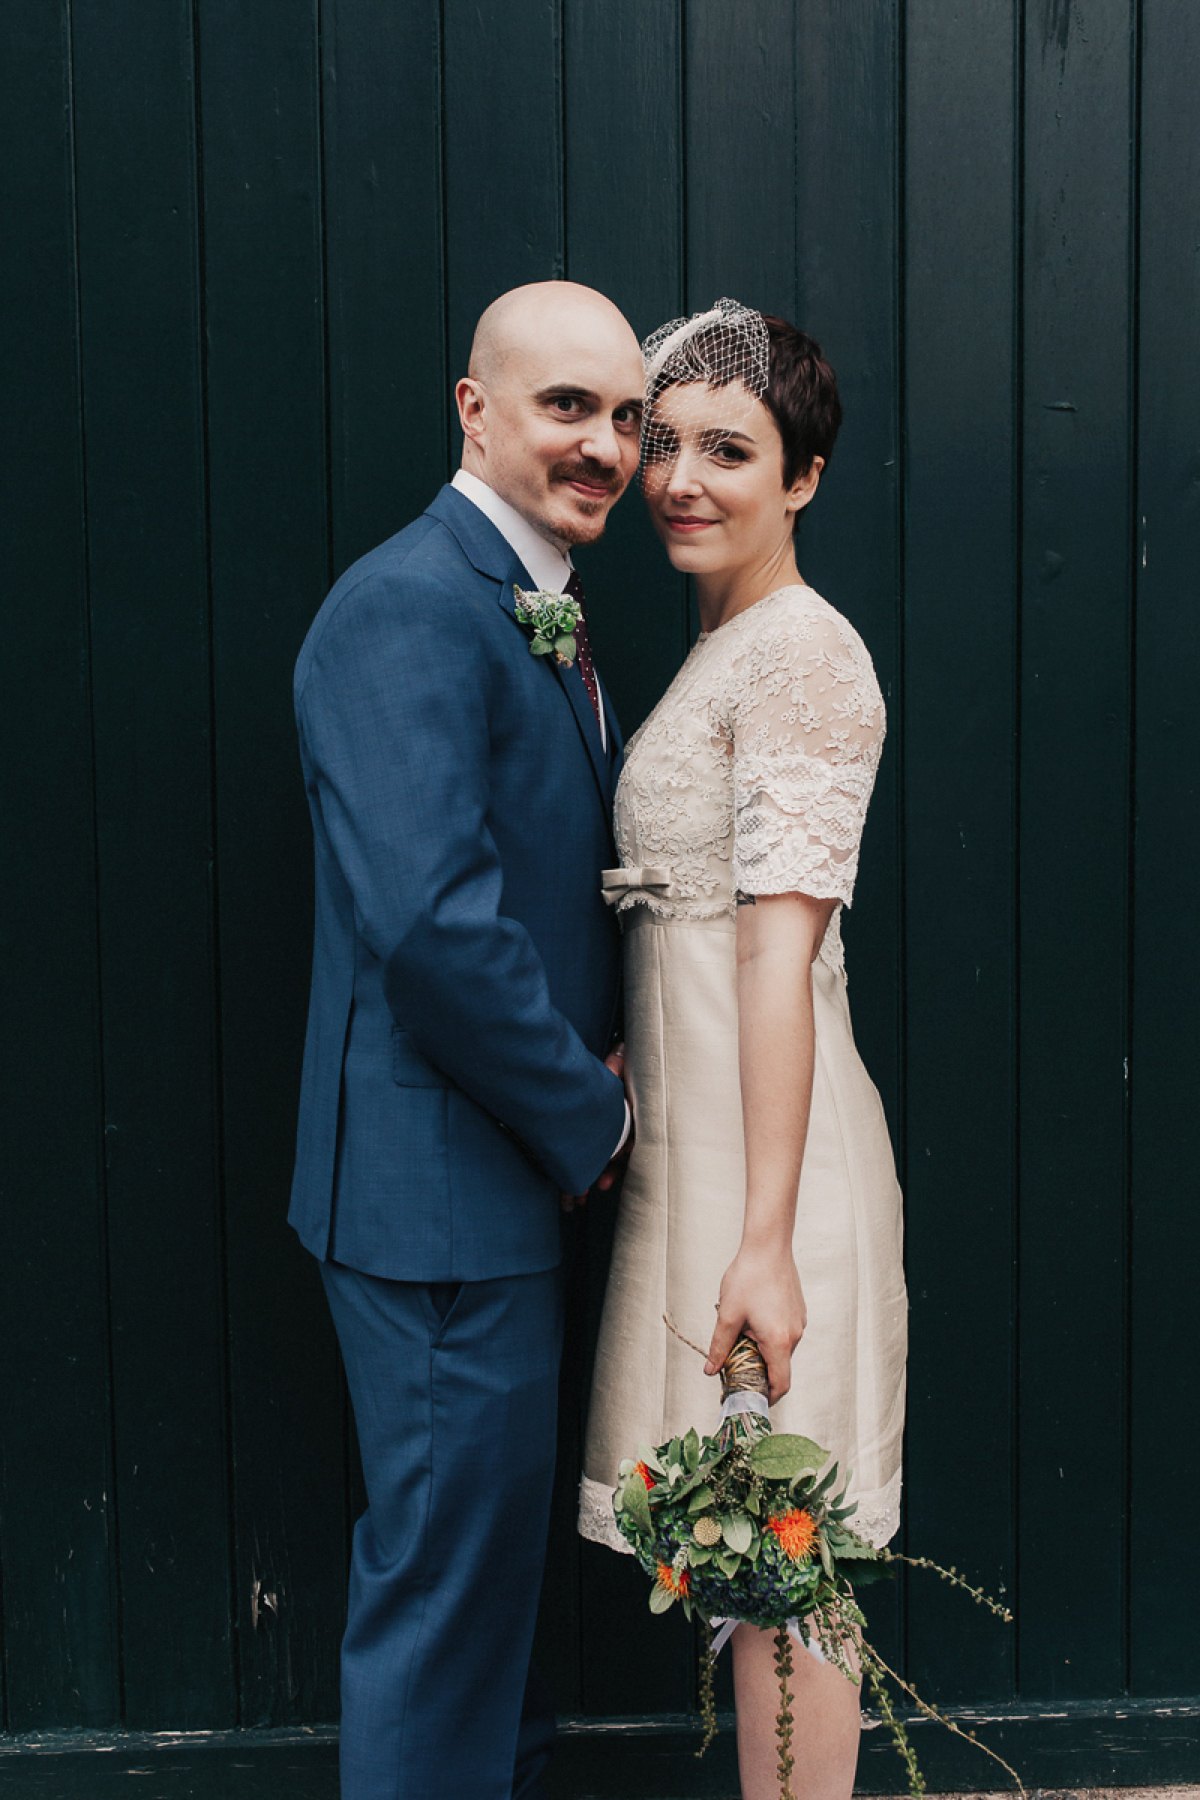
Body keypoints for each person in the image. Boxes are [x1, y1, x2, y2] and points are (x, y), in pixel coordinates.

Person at [289, 280, 642, 1800]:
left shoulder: (527, 600)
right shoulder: (405, 605)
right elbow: (435, 926)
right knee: (443, 1602)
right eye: (569, 407)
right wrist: (595, 1117)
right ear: (472, 407)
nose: (607, 447)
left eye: (626, 415)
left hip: (486, 1194)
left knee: (484, 1589)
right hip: (439, 1200)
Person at [578, 299, 908, 1800]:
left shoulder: (796, 655)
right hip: (701, 1163)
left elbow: (781, 949)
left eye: (731, 448)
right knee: (733, 1575)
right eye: (664, 442)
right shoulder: (725, 648)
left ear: (805, 480)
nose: (680, 478)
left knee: (785, 1580)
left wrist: (766, 1241)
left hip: (773, 1191)